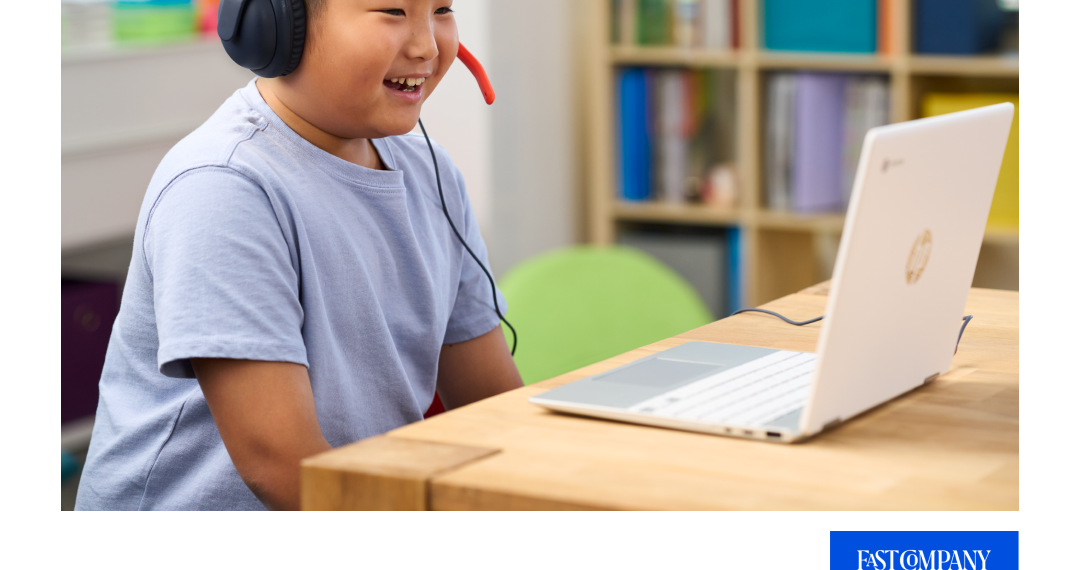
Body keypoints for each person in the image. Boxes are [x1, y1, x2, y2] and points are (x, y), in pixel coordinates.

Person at [75, 0, 523, 511]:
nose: (427, 45)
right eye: (393, 11)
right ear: (278, 23)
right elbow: (283, 466)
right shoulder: (224, 187)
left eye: (442, 9)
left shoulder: (430, 170)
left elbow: (494, 406)